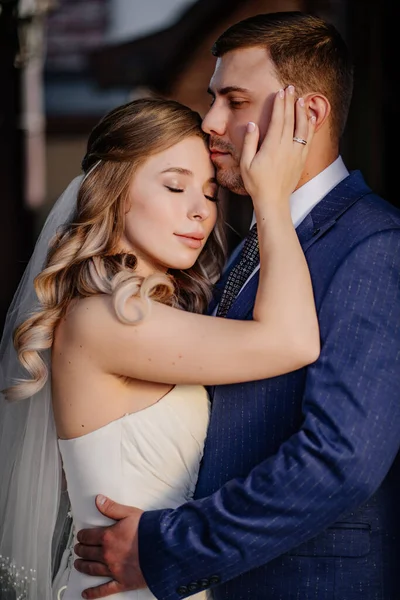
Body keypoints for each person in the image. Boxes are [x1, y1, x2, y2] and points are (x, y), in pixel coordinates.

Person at [73, 11, 400, 600]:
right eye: (212, 97)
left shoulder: (373, 246)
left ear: (310, 114)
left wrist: (173, 546)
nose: (211, 121)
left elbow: (342, 459)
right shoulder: (232, 250)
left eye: (235, 100)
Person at [0, 90, 318, 600]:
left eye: (211, 193)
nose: (200, 212)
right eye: (175, 186)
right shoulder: (106, 318)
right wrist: (272, 198)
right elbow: (292, 341)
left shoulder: (149, 313)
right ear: (116, 191)